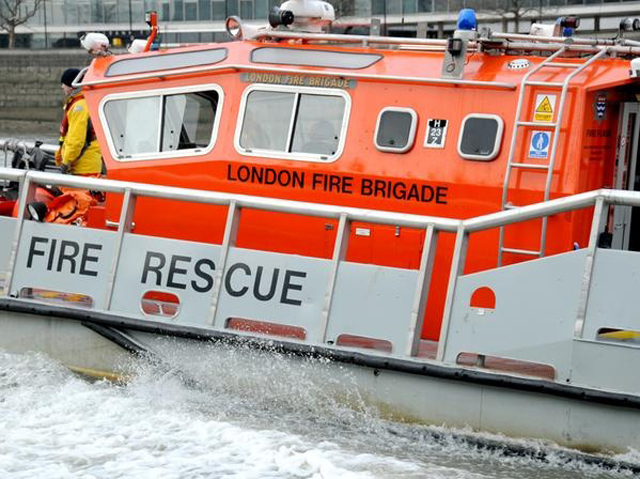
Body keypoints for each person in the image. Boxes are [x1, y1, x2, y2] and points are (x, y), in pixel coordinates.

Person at [56, 68, 103, 176]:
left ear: (72, 86)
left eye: (64, 83)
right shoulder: (82, 102)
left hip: (84, 167)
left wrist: (66, 162)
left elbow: (76, 140)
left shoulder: (79, 106)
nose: (62, 86)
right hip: (86, 165)